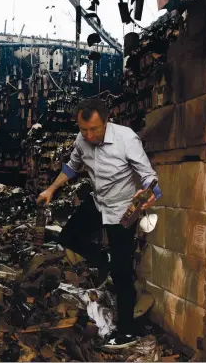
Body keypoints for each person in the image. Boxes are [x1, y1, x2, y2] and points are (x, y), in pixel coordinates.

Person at [37, 98, 162, 350]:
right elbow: (72, 166)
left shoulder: (127, 138)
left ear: (107, 121)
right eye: (84, 129)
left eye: (94, 129)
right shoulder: (82, 139)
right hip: (98, 201)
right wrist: (51, 189)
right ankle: (102, 260)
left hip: (123, 208)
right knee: (68, 237)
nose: (89, 135)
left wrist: (148, 194)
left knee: (122, 273)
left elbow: (150, 178)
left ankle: (127, 332)